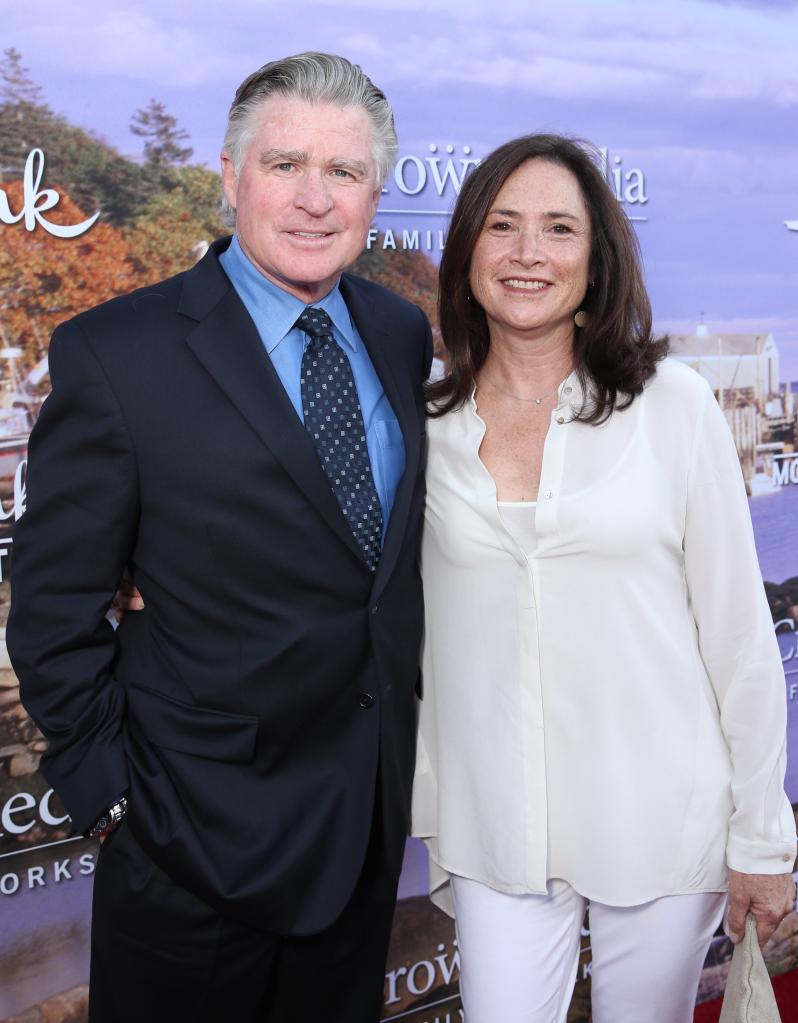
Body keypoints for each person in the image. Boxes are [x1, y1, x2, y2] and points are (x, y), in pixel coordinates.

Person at [7, 52, 432, 1023]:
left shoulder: (403, 335)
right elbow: (52, 606)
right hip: (187, 857)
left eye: (346, 172)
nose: (315, 200)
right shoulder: (118, 352)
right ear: (230, 176)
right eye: (285, 165)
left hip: (361, 840)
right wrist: (117, 806)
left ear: (376, 193)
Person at [410, 134, 797, 1023]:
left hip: (658, 815)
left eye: (558, 228)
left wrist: (761, 837)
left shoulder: (675, 408)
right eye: (502, 226)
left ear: (598, 258)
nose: (528, 253)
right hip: (495, 822)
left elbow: (740, 639)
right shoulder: (424, 424)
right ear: (469, 247)